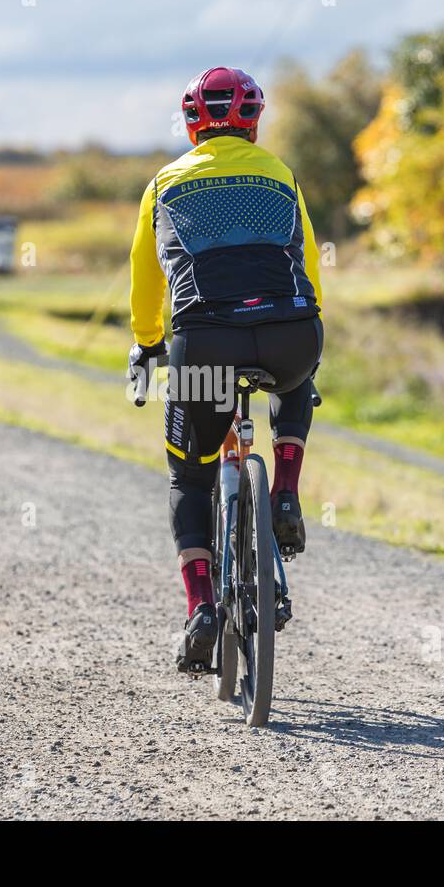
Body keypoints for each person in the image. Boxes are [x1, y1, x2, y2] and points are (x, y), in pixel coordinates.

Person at [127, 66, 324, 671]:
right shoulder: (281, 175)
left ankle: (202, 608)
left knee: (190, 474)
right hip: (291, 334)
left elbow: (145, 275)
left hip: (205, 345)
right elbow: (309, 267)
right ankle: (285, 494)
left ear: (192, 124)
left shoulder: (163, 183)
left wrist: (146, 342)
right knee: (296, 380)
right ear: (254, 122)